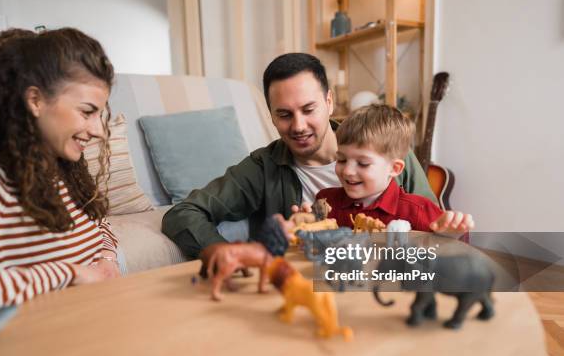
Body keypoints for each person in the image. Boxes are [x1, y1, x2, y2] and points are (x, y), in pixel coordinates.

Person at [162, 53, 437, 259]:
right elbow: (183, 213)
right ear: (270, 115)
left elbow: (437, 234)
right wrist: (225, 254)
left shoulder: (387, 152)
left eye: (308, 109)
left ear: (329, 102)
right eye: (284, 114)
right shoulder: (262, 167)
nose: (298, 126)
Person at [0, 28, 120, 319]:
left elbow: (99, 222)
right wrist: (71, 274)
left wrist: (106, 258)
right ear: (35, 101)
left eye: (99, 115)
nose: (99, 131)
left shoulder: (64, 169)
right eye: (87, 112)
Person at [316, 104, 473, 232]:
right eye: (341, 159)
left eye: (363, 163)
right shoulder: (326, 201)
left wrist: (452, 233)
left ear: (395, 168)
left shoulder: (418, 210)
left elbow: (452, 252)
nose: (347, 171)